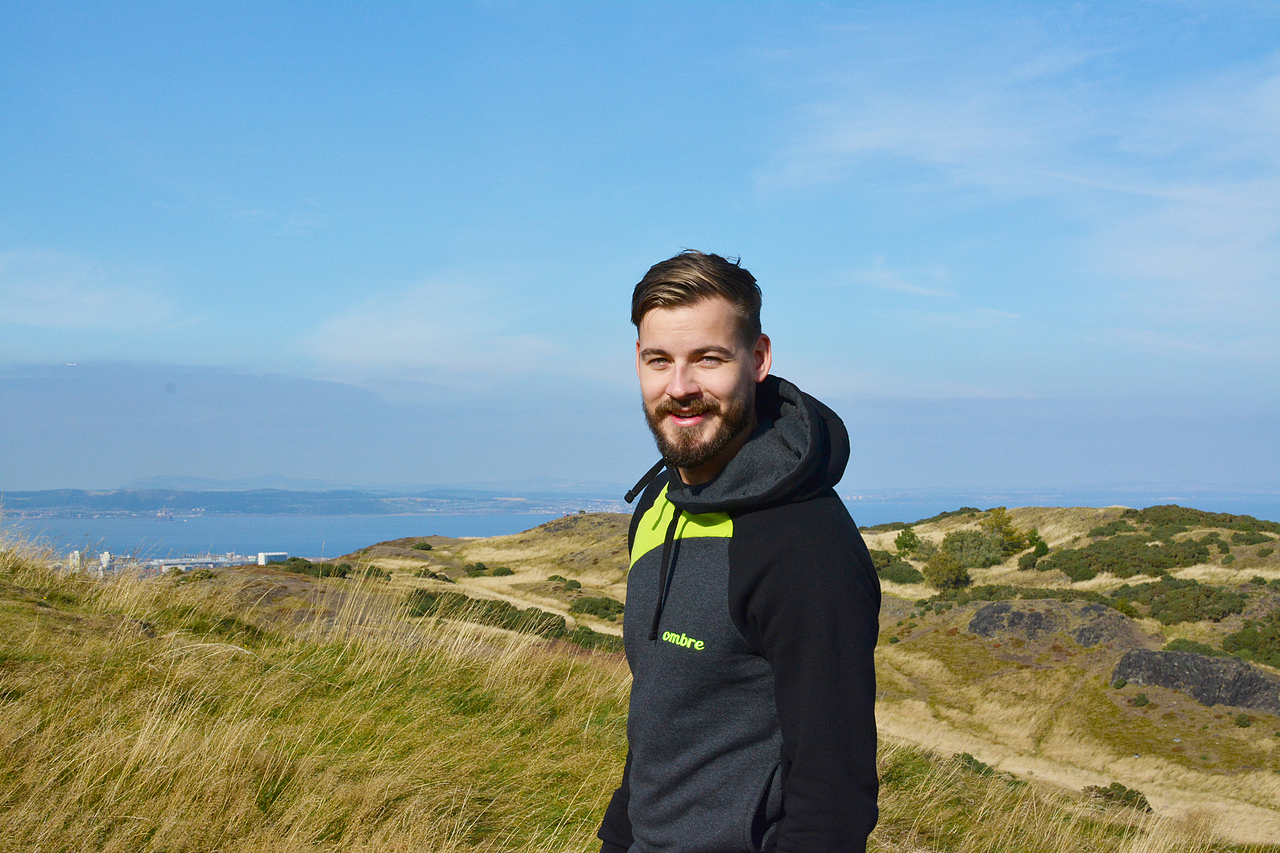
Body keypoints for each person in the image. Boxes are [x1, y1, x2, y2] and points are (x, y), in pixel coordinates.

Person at [597, 251, 881, 853]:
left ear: (757, 360)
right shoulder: (659, 505)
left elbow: (834, 802)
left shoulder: (804, 545)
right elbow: (665, 723)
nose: (681, 389)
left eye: (708, 358)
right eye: (659, 361)